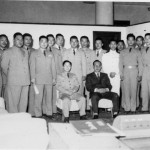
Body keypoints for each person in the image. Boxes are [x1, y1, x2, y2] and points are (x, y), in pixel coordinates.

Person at [1, 32, 30, 113]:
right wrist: (12, 75)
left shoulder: (25, 51)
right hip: (14, 81)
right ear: (13, 40)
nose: (20, 41)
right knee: (13, 104)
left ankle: (21, 121)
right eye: (18, 39)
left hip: (25, 81)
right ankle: (13, 122)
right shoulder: (8, 51)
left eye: (21, 39)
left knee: (23, 104)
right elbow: (4, 67)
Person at [30, 36, 56, 118]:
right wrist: (33, 77)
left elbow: (53, 67)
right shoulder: (34, 53)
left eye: (46, 42)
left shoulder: (50, 53)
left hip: (49, 78)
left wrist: (54, 78)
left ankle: (49, 113)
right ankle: (38, 114)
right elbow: (32, 66)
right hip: (38, 79)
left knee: (49, 97)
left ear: (47, 43)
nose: (44, 43)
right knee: (38, 98)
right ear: (39, 42)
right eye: (42, 42)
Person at [119, 33, 143, 114]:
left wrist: (140, 75)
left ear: (134, 41)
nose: (130, 41)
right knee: (126, 90)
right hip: (125, 71)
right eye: (129, 40)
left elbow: (140, 63)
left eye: (132, 40)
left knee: (134, 89)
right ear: (127, 41)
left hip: (134, 71)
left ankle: (133, 108)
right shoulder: (122, 51)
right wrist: (121, 74)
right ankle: (127, 108)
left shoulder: (137, 51)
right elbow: (120, 63)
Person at [47, 34, 63, 117]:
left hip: (55, 75)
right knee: (46, 94)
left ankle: (54, 111)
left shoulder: (56, 51)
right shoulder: (43, 50)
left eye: (52, 40)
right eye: (49, 40)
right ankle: (46, 111)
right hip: (45, 76)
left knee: (54, 94)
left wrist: (60, 75)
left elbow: (60, 64)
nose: (51, 42)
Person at [79, 36, 95, 110]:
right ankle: (80, 108)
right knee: (80, 90)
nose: (84, 43)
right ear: (80, 42)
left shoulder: (92, 52)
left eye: (86, 41)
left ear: (88, 42)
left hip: (89, 74)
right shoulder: (77, 51)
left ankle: (88, 108)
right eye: (82, 41)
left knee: (88, 91)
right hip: (80, 74)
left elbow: (94, 64)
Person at [22, 33, 35, 116]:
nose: (28, 41)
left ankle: (31, 113)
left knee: (32, 95)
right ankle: (22, 113)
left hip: (33, 76)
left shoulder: (34, 51)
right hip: (23, 77)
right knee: (23, 97)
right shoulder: (19, 50)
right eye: (26, 39)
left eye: (30, 39)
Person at [141, 33, 150, 112]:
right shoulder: (143, 49)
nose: (147, 40)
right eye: (146, 38)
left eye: (149, 38)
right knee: (144, 90)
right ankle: (145, 107)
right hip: (144, 71)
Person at [136, 36, 144, 111]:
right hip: (136, 72)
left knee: (144, 90)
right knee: (136, 89)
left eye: (140, 40)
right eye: (137, 40)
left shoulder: (145, 49)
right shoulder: (134, 50)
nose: (139, 42)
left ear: (143, 41)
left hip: (144, 72)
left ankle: (145, 106)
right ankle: (137, 105)